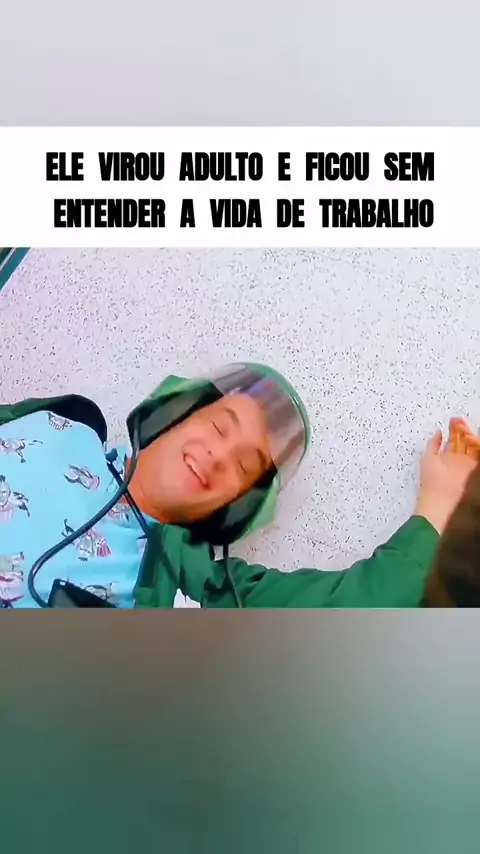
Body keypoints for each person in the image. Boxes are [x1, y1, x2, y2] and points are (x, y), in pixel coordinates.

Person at [0, 362, 474, 609]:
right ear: (174, 413)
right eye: (219, 427)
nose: (218, 455)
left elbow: (358, 611)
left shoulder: (200, 588)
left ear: (234, 510)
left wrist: (440, 504)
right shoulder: (65, 422)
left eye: (244, 467)